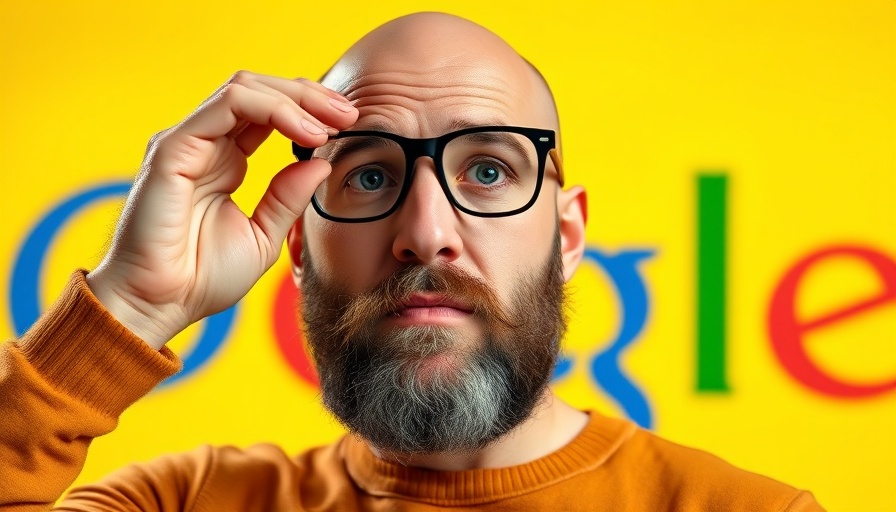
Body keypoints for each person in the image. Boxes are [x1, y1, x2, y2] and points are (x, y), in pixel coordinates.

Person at [0, 12, 823, 511]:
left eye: (490, 170)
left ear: (567, 238)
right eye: (368, 175)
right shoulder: (186, 503)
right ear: (297, 243)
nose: (426, 233)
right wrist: (131, 307)